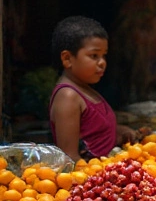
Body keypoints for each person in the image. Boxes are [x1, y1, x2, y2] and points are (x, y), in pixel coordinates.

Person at [48, 16, 137, 161]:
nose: (102, 62)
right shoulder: (68, 96)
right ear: (67, 59)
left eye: (104, 55)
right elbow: (70, 159)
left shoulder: (86, 89)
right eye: (94, 55)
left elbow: (93, 131)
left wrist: (119, 131)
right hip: (90, 180)